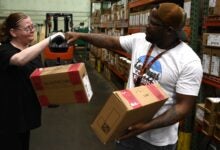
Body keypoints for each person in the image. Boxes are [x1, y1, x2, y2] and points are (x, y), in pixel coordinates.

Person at [66, 2, 203, 150]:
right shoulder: (140, 40)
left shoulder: (189, 62)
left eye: (152, 23)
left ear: (169, 30)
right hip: (126, 130)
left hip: (157, 142)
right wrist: (81, 35)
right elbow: (110, 41)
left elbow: (183, 107)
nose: (146, 27)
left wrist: (146, 126)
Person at [0, 12, 64, 150]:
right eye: (27, 28)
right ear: (13, 32)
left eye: (32, 26)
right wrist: (50, 39)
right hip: (9, 117)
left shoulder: (33, 54)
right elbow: (19, 60)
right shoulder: (4, 50)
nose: (32, 30)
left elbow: (39, 80)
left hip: (26, 115)